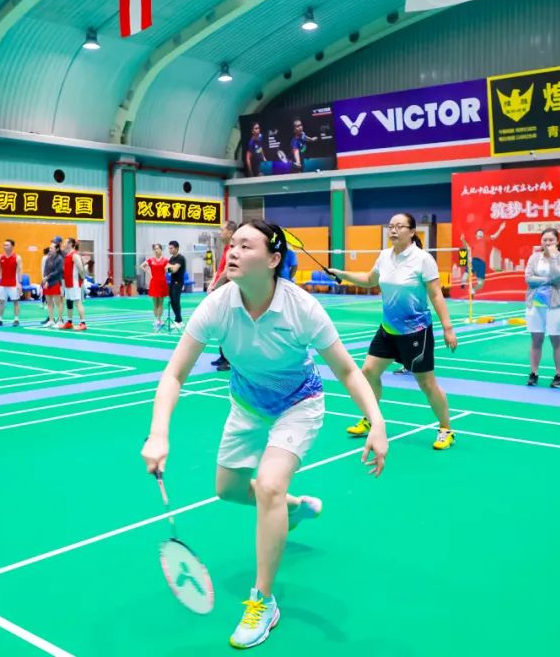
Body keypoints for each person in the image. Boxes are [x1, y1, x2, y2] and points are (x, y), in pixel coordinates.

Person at [140, 219, 388, 650]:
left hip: (298, 404)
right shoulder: (218, 305)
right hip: (248, 404)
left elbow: (348, 370)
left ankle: (263, 601)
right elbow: (174, 373)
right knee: (228, 490)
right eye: (232, 245)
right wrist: (158, 432)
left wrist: (377, 422)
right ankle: (291, 508)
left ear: (274, 260)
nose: (233, 252)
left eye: (245, 246)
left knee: (270, 485)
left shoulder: (301, 307)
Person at [328, 212, 459, 450]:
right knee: (368, 371)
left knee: (426, 383)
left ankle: (446, 429)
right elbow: (369, 279)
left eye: (399, 226)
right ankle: (371, 418)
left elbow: (436, 294)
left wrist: (448, 328)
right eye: (391, 226)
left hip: (416, 332)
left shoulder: (423, 259)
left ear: (412, 232)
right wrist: (343, 274)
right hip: (388, 329)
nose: (394, 230)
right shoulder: (384, 256)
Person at [524, 228, 560, 388]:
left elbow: (558, 278)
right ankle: (534, 373)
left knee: (556, 340)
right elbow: (528, 278)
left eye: (551, 240)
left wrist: (551, 258)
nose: (547, 243)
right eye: (544, 240)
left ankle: (558, 375)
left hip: (554, 305)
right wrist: (547, 280)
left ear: (557, 241)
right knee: (536, 340)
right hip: (535, 304)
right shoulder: (534, 258)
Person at [209, 221, 237, 371]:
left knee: (228, 326)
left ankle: (229, 359)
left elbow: (226, 272)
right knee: (221, 325)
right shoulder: (226, 248)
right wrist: (211, 283)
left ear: (230, 232)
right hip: (221, 290)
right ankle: (223, 355)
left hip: (228, 291)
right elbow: (219, 270)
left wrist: (216, 287)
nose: (220, 233)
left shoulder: (233, 249)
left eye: (222, 230)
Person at [0, 239, 23, 327]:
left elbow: (20, 270)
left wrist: (19, 283)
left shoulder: (17, 257)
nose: (5, 247)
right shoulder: (0, 257)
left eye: (7, 245)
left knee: (15, 301)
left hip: (13, 284)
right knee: (1, 301)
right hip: (3, 284)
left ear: (12, 246)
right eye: (4, 245)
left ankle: (16, 319)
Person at [142, 243, 170, 331]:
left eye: (158, 248)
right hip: (154, 282)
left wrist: (166, 271)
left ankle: (159, 319)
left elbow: (168, 269)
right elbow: (142, 266)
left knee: (161, 303)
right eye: (155, 249)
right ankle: (156, 319)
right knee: (155, 303)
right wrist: (149, 274)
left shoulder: (165, 260)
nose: (156, 250)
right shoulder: (151, 260)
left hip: (162, 282)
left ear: (161, 250)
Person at [61, 237, 87, 331]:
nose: (64, 244)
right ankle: (69, 322)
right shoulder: (67, 255)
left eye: (65, 242)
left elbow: (81, 269)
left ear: (71, 244)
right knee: (68, 302)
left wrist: (82, 279)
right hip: (67, 284)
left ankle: (83, 323)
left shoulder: (75, 255)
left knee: (78, 303)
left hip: (74, 284)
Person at [166, 240, 186, 330]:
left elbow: (174, 270)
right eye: (169, 248)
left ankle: (179, 321)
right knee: (172, 302)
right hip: (172, 282)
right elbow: (166, 269)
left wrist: (171, 268)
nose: (170, 250)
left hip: (178, 283)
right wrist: (171, 268)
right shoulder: (171, 259)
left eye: (171, 248)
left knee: (176, 301)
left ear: (177, 248)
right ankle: (178, 320)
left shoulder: (180, 258)